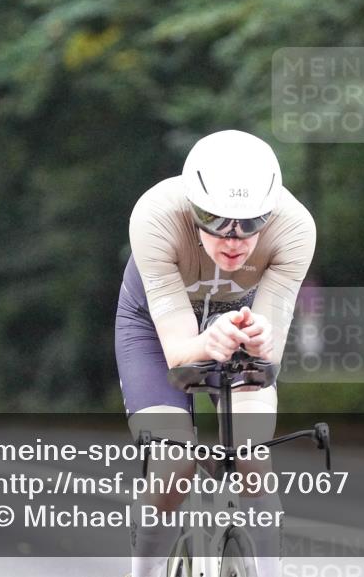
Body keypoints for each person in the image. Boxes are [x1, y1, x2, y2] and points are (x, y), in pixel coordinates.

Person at [115, 129, 316, 577]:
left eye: (251, 222)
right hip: (156, 329)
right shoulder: (155, 217)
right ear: (192, 207)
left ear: (272, 210)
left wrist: (259, 341)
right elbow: (180, 355)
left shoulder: (295, 228)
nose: (233, 238)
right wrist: (209, 341)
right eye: (216, 219)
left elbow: (269, 350)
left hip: (240, 325)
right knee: (173, 462)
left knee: (252, 453)